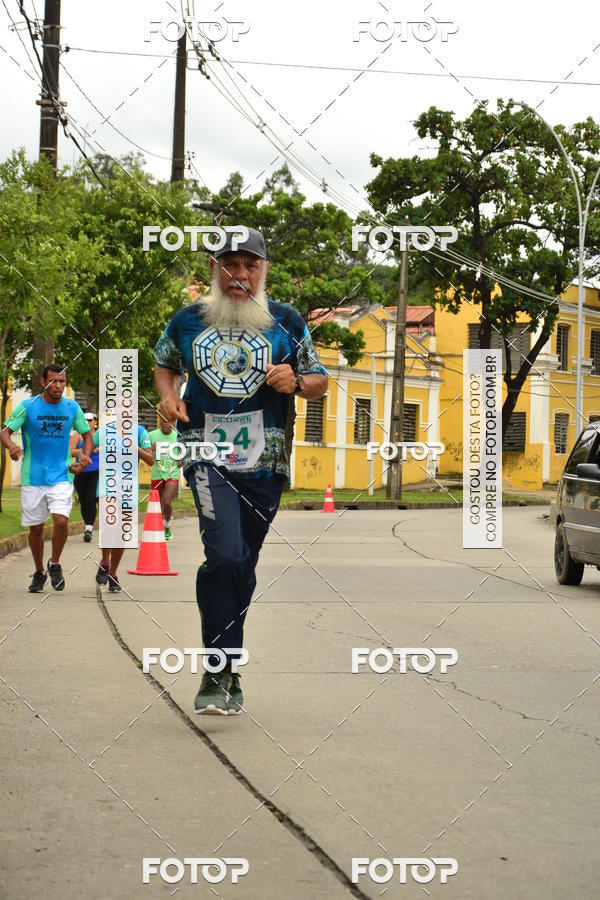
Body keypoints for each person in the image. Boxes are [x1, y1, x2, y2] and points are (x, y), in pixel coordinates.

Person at [154, 227, 328, 715]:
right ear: (215, 269)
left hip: (265, 464)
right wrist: (169, 397)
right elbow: (165, 364)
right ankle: (215, 671)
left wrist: (295, 380)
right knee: (226, 554)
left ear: (263, 272)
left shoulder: (287, 322)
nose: (240, 274)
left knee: (242, 568)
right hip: (207, 456)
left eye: (251, 265)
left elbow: (320, 380)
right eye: (230, 264)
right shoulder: (188, 321)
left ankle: (228, 668)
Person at [0, 364, 92, 592]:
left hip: (61, 475)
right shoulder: (27, 406)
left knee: (61, 521)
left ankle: (55, 563)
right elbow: (4, 432)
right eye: (53, 381)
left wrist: (84, 458)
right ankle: (39, 571)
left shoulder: (71, 407)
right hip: (33, 477)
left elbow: (88, 435)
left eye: (62, 381)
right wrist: (11, 446)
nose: (58, 386)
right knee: (36, 530)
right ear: (43, 382)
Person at [89, 423, 153, 592]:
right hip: (107, 484)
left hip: (128, 487)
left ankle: (113, 573)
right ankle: (105, 562)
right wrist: (83, 460)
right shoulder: (104, 430)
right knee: (110, 523)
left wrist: (135, 447)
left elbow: (151, 459)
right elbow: (89, 443)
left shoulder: (140, 432)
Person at [147, 417, 180, 541]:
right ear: (160, 421)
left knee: (166, 501)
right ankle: (159, 528)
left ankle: (167, 525)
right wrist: (151, 449)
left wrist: (180, 460)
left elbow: (183, 456)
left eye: (169, 421)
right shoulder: (151, 435)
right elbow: (145, 452)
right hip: (157, 473)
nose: (165, 424)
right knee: (157, 505)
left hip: (172, 473)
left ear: (173, 422)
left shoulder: (178, 436)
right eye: (163, 421)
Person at [70, 412, 99, 542]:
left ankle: (89, 527)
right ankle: (87, 523)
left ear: (95, 422)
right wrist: (86, 450)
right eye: (85, 419)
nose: (87, 422)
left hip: (97, 470)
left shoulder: (100, 434)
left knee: (91, 498)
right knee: (83, 499)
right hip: (81, 470)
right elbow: (70, 450)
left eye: (90, 420)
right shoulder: (78, 435)